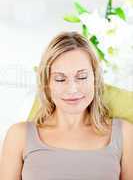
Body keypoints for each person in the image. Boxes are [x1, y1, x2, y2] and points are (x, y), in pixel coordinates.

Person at [0, 31, 133, 180]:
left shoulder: (124, 134)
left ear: (95, 79)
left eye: (82, 77)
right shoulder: (19, 136)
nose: (72, 89)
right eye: (60, 79)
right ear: (47, 83)